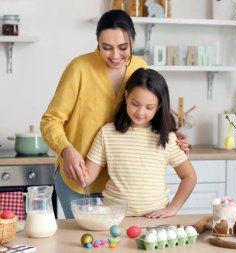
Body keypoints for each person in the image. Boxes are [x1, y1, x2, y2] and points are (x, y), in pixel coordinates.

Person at [40, 10, 189, 219]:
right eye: (106, 48)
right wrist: (66, 150)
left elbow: (149, 108)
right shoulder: (79, 68)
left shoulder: (139, 66)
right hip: (81, 177)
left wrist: (171, 135)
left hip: (121, 186)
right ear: (97, 42)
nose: (115, 56)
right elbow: (50, 121)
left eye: (123, 47)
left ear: (133, 40)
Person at [83, 68, 197, 218]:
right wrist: (69, 158)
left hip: (154, 219)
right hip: (114, 217)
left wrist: (173, 208)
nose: (140, 112)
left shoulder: (167, 138)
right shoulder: (107, 133)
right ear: (126, 96)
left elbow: (189, 177)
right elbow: (87, 176)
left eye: (149, 107)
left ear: (159, 106)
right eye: (135, 104)